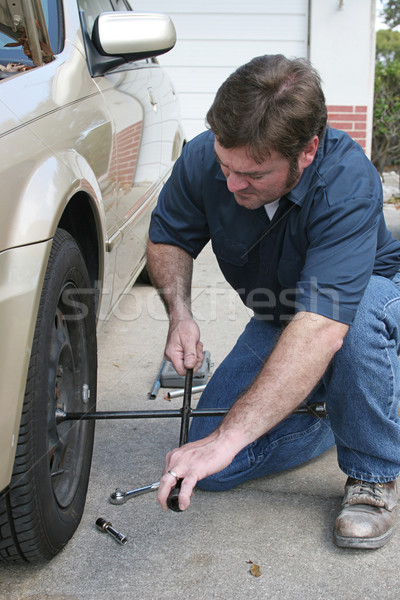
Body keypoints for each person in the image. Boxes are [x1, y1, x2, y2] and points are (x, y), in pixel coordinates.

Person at [146, 54, 400, 549]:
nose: (233, 183)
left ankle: (373, 472)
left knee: (359, 314)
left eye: (254, 174)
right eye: (226, 166)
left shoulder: (347, 183)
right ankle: (346, 403)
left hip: (367, 300)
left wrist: (232, 434)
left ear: (307, 151)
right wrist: (180, 315)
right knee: (211, 464)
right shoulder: (206, 159)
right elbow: (168, 237)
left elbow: (325, 323)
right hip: (284, 314)